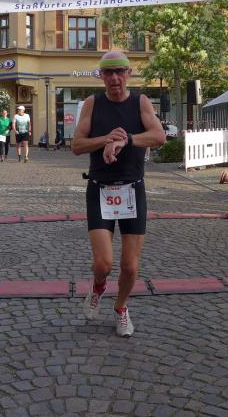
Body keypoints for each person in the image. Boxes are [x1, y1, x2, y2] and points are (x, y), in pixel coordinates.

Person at [72, 51, 166, 337]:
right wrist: (106, 140)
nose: (114, 78)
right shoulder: (93, 103)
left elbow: (159, 136)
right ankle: (99, 285)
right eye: (108, 72)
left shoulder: (140, 102)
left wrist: (127, 140)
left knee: (130, 266)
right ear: (101, 76)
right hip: (100, 189)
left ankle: (121, 307)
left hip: (132, 189)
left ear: (128, 74)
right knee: (104, 263)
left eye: (119, 72)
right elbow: (77, 145)